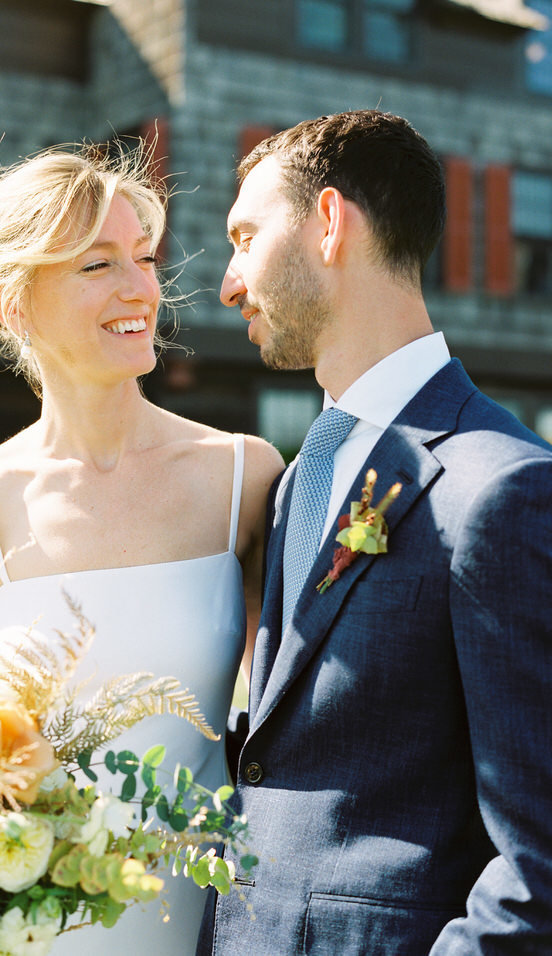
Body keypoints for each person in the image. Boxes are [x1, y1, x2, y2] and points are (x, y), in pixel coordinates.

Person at [197, 110, 552, 955]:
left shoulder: (500, 488)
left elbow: (539, 862)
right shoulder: (298, 480)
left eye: (245, 237)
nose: (229, 283)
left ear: (328, 223)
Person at [0, 144, 283, 954]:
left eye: (144, 259)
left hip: (210, 919)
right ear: (13, 302)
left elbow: (296, 734)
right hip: (39, 935)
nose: (140, 289)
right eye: (97, 266)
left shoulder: (242, 480)